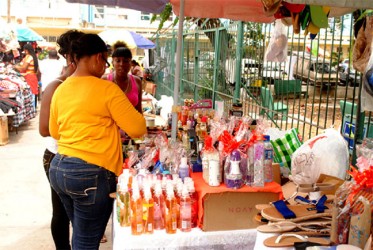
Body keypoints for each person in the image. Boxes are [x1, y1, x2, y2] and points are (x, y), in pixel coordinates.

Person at [48, 33, 147, 249]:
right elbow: (138, 128)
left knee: (82, 234)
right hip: (90, 174)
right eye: (105, 60)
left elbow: (54, 132)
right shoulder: (106, 89)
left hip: (59, 168)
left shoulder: (61, 88)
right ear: (95, 57)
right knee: (86, 240)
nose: (106, 66)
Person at [39, 30, 84, 250]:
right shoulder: (55, 86)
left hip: (81, 156)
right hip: (57, 156)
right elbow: (44, 129)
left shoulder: (87, 84)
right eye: (75, 54)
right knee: (61, 212)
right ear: (67, 57)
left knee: (80, 211)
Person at [103, 43, 142, 113]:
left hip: (131, 123)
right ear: (112, 63)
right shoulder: (104, 80)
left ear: (131, 63)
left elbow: (139, 110)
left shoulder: (137, 81)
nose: (121, 64)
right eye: (118, 61)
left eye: (126, 61)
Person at [14, 43, 40, 107]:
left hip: (29, 77)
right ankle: (33, 107)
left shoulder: (29, 57)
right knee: (33, 92)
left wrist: (15, 67)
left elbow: (23, 68)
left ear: (26, 50)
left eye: (24, 50)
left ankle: (32, 108)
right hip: (33, 76)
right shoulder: (34, 57)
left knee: (31, 93)